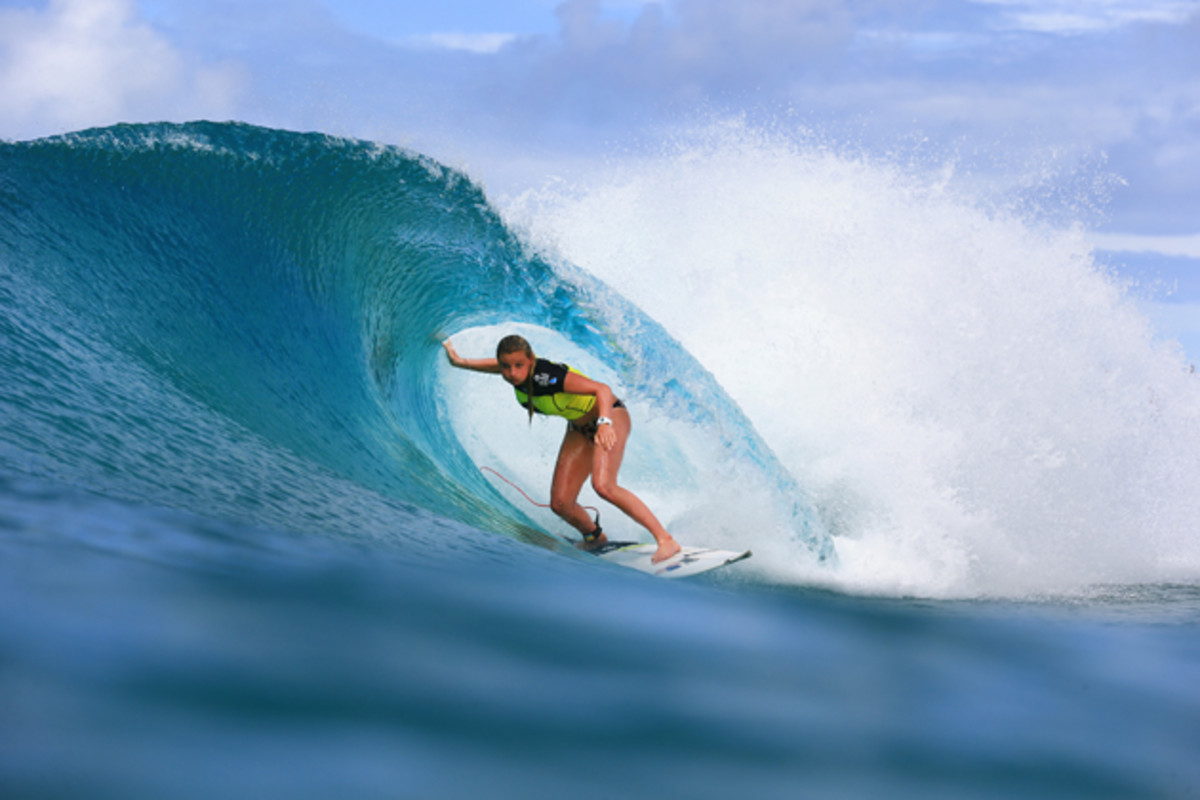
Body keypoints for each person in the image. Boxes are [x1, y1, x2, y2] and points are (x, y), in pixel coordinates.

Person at [443, 334, 682, 563]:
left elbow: (602, 390)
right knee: (560, 503)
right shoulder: (515, 373)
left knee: (603, 486)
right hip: (579, 429)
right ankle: (594, 538)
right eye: (506, 366)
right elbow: (495, 366)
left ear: (531, 361)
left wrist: (604, 424)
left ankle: (666, 539)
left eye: (518, 365)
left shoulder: (546, 376)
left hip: (609, 417)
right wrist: (460, 361)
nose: (512, 373)